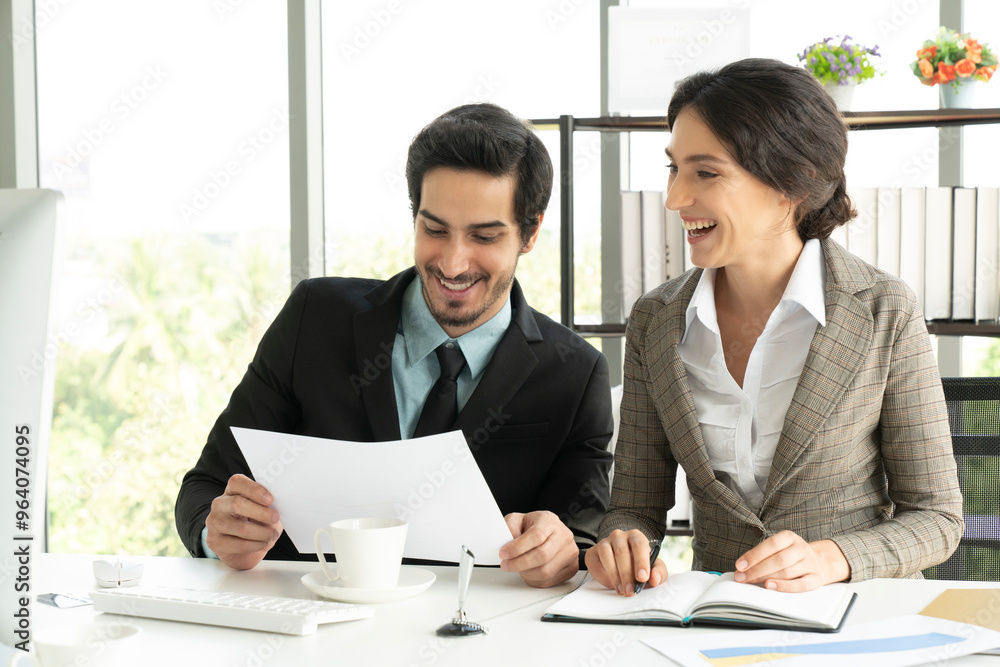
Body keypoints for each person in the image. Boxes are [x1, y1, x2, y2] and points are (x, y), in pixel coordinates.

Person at [175, 103, 614, 588]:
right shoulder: (314, 319)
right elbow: (205, 487)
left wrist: (561, 553)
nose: (453, 263)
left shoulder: (575, 374)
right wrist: (218, 534)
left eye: (484, 236)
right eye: (434, 230)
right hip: (312, 618)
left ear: (529, 233)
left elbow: (580, 540)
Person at [585, 58, 964, 595]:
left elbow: (937, 518)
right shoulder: (656, 321)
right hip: (719, 613)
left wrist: (832, 558)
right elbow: (634, 507)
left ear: (792, 182)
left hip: (852, 609)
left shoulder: (884, 310)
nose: (674, 199)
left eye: (705, 173)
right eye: (674, 169)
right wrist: (624, 544)